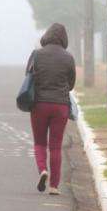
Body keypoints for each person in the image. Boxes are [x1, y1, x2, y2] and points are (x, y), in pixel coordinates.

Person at [26, 23, 76, 195]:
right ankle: (54, 186)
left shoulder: (37, 55)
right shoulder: (68, 57)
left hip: (39, 105)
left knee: (40, 142)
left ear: (47, 36)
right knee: (55, 147)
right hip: (60, 106)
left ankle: (42, 170)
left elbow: (28, 77)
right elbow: (71, 84)